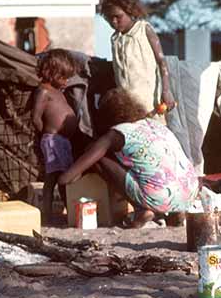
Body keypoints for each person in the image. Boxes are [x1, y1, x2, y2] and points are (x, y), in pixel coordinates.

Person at [58, 89, 198, 228]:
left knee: (96, 156)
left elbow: (68, 176)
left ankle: (143, 210)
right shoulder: (154, 124)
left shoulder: (117, 133)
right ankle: (173, 213)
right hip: (190, 192)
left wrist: (65, 178)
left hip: (159, 197)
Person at [100, 0, 175, 118]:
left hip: (149, 101)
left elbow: (161, 61)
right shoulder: (115, 39)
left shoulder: (144, 30)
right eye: (109, 19)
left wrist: (166, 91)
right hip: (126, 103)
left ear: (129, 11)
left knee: (152, 132)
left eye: (118, 17)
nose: (114, 22)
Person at [31, 49, 79, 225]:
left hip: (62, 141)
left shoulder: (59, 91)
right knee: (52, 178)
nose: (66, 82)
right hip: (52, 140)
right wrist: (46, 135)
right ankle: (47, 216)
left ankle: (68, 212)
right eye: (63, 77)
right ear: (51, 73)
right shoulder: (44, 91)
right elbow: (35, 118)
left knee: (64, 178)